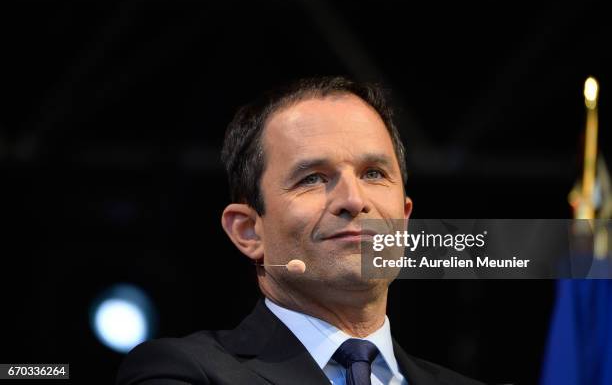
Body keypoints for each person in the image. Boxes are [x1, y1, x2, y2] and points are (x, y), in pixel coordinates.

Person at [116, 76, 484, 384]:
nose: (353, 201)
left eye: (373, 173)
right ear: (248, 231)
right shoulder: (181, 372)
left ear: (403, 221)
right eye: (312, 178)